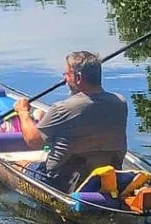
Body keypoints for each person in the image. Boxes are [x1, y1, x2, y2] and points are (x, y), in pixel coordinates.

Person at [13, 50, 127, 193]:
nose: (65, 80)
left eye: (66, 75)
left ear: (78, 77)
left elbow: (33, 141)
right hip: (109, 175)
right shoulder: (120, 103)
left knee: (17, 165)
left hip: (62, 182)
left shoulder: (62, 108)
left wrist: (23, 112)